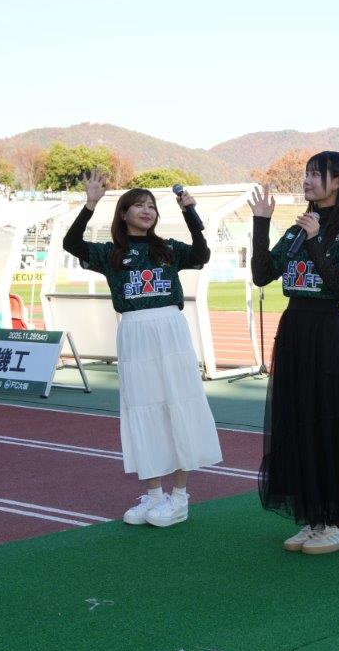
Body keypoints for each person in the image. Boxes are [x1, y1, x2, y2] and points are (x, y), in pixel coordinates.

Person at [63, 169, 221, 527]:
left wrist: (189, 212)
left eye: (151, 206)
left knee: (178, 405)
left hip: (170, 330)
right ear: (124, 213)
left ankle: (179, 497)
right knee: (142, 410)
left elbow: (202, 253)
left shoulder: (168, 249)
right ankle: (154, 496)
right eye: (139, 205)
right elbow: (72, 244)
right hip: (134, 331)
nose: (147, 210)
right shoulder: (110, 254)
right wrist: (90, 204)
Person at [249, 151, 339, 555]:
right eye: (306, 173)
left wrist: (317, 239)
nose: (307, 180)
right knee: (297, 421)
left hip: (326, 331)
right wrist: (261, 223)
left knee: (328, 421)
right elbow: (261, 274)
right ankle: (313, 517)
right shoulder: (296, 229)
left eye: (316, 174)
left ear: (338, 181)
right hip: (294, 330)